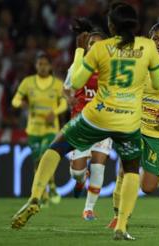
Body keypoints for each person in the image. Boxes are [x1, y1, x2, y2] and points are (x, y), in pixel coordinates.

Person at [11, 2, 159, 241]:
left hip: (98, 116)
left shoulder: (101, 48)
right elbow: (157, 83)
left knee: (56, 148)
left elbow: (78, 81)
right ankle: (121, 226)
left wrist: (81, 50)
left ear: (111, 26)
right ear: (135, 24)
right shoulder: (147, 46)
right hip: (129, 121)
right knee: (132, 169)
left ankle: (35, 197)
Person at [107, 22, 159, 229]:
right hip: (134, 123)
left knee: (148, 187)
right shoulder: (139, 61)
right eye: (155, 38)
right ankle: (119, 216)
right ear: (149, 40)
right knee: (124, 169)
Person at [64, 25, 111, 221]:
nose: (94, 46)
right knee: (77, 172)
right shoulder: (78, 66)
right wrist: (69, 99)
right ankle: (80, 180)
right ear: (87, 46)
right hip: (81, 126)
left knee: (99, 166)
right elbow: (66, 88)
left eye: (99, 44)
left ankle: (89, 209)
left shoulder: (110, 70)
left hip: (102, 125)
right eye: (91, 43)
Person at [11, 52, 67, 206]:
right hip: (33, 129)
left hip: (51, 129)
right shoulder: (28, 82)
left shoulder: (57, 84)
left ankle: (47, 191)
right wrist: (20, 104)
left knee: (44, 157)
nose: (42, 67)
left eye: (45, 64)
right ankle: (47, 192)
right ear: (36, 65)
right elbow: (15, 99)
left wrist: (54, 112)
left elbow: (64, 103)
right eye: (40, 64)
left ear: (50, 66)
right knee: (37, 162)